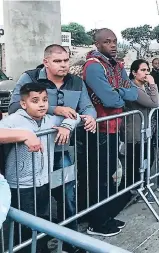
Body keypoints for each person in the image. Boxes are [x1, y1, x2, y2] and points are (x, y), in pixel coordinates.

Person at [8, 44, 96, 252]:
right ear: (46, 61)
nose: (64, 65)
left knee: (67, 195)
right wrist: (57, 109)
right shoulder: (30, 78)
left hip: (61, 150)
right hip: (32, 152)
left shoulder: (76, 82)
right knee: (34, 201)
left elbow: (87, 107)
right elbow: (13, 107)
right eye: (58, 61)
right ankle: (32, 245)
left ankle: (70, 242)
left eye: (66, 60)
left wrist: (90, 117)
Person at [0, 83, 80, 253]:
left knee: (40, 222)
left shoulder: (49, 119)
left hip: (43, 181)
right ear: (23, 104)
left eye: (44, 100)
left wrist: (66, 126)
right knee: (25, 230)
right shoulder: (14, 121)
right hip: (21, 185)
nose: (42, 104)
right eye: (35, 101)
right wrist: (24, 134)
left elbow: (75, 117)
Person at [83, 28, 138, 237]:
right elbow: (111, 100)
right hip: (99, 129)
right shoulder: (94, 67)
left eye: (115, 41)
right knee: (99, 177)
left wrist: (120, 92)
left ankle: (104, 216)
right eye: (107, 42)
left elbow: (132, 92)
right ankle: (96, 223)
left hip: (114, 127)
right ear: (97, 44)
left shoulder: (116, 66)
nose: (113, 45)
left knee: (108, 175)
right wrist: (120, 93)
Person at [121, 59, 159, 201]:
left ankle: (140, 187)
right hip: (135, 133)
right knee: (134, 164)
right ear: (133, 72)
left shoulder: (143, 87)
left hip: (145, 131)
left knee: (147, 160)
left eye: (147, 70)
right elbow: (154, 103)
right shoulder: (133, 88)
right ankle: (132, 191)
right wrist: (153, 84)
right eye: (143, 70)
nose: (146, 73)